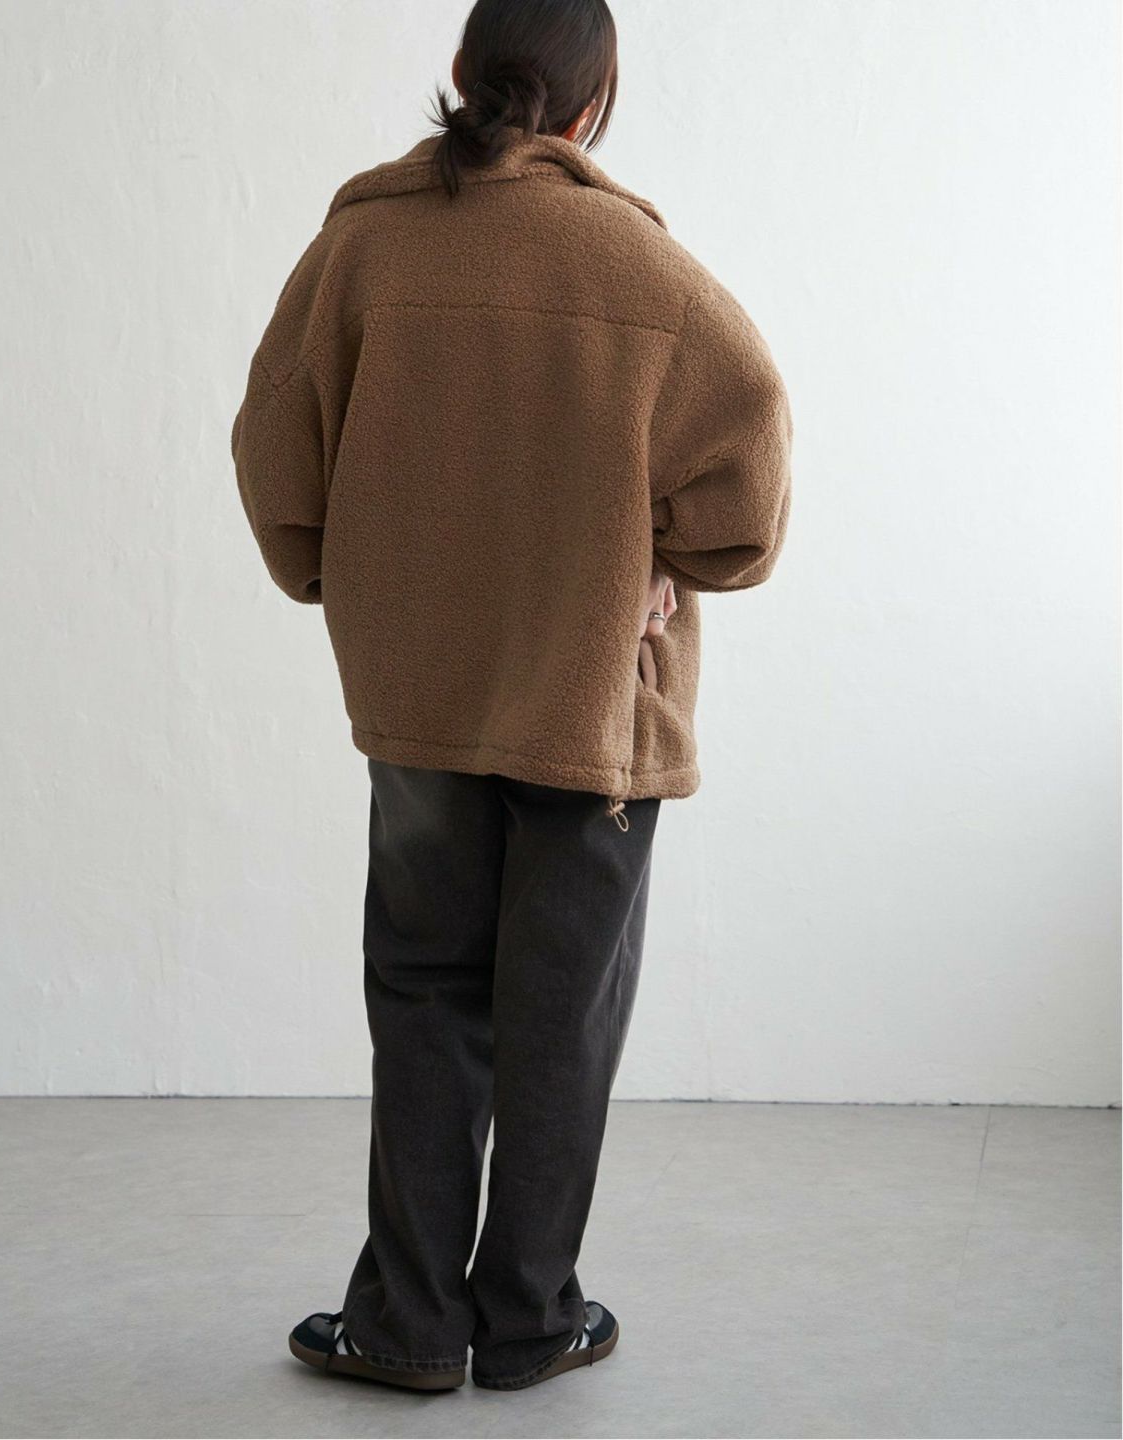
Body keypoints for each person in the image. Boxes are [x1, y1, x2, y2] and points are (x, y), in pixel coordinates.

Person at [231, 0, 792, 1395]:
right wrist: (668, 558)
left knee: (427, 994)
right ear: (593, 106)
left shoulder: (363, 247)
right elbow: (751, 482)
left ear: (464, 75)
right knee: (562, 1014)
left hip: (423, 700)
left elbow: (273, 453)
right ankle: (532, 1317)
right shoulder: (640, 267)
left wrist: (342, 577)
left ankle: (409, 1325)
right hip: (591, 714)